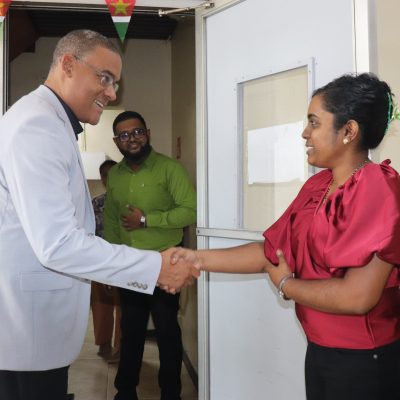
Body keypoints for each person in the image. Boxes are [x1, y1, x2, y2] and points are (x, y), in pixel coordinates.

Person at [172, 73, 400, 400]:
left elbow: (357, 297)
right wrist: (196, 258)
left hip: (364, 359)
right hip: (321, 350)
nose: (305, 133)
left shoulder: (378, 188)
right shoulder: (318, 186)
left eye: (314, 123)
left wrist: (286, 285)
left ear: (349, 131)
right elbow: (272, 251)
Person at [0, 29, 198, 400]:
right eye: (104, 78)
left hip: (39, 325)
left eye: (115, 83)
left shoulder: (51, 122)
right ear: (67, 65)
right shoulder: (37, 125)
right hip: (28, 329)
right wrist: (154, 267)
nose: (112, 93)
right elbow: (58, 243)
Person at [103, 111, 197, 400]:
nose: (131, 139)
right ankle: (125, 391)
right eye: (124, 135)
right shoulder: (115, 175)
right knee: (131, 331)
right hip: (130, 264)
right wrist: (110, 267)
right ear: (116, 141)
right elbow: (111, 222)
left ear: (148, 133)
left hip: (165, 262)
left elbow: (190, 210)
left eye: (137, 132)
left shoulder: (169, 169)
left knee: (167, 330)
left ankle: (170, 393)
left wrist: (147, 220)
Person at [91, 159, 121, 360]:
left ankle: (120, 347)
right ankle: (103, 343)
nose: (108, 178)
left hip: (123, 259)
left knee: (124, 306)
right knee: (101, 304)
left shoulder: (128, 203)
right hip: (99, 260)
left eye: (113, 174)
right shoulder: (95, 203)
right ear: (101, 178)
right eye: (105, 175)